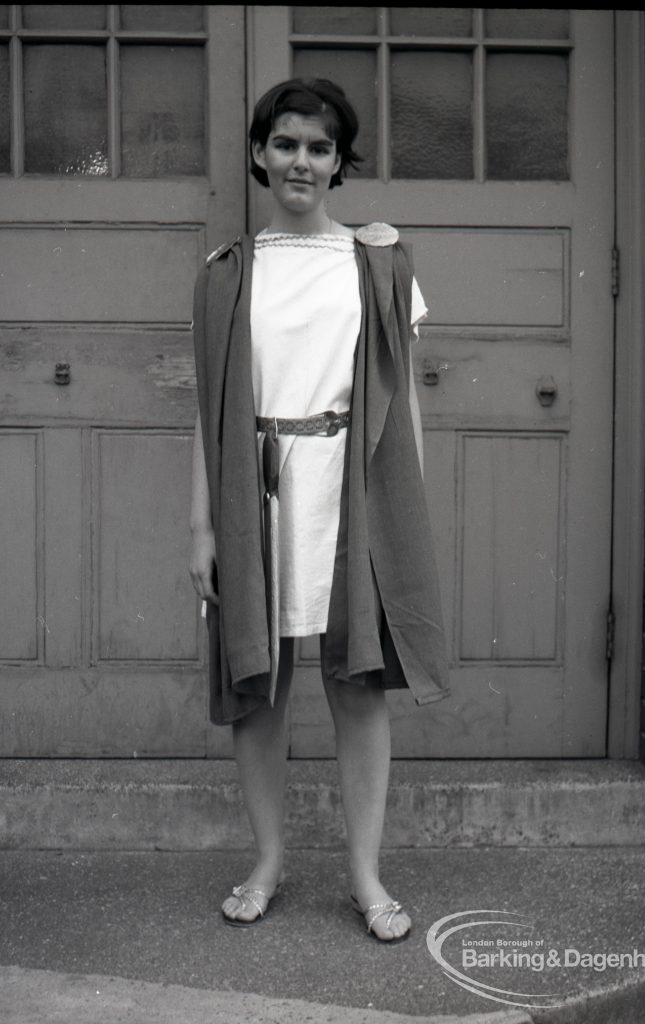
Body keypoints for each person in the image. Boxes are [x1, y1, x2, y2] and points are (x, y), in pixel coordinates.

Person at [189, 78, 449, 943]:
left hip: (352, 491)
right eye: (287, 143)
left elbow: (399, 397)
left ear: (340, 164)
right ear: (261, 153)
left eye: (320, 147)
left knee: (359, 688)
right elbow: (208, 410)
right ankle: (267, 860)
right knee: (258, 688)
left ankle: (365, 875)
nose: (302, 160)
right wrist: (201, 525)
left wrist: (404, 518)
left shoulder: (378, 262)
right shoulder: (226, 275)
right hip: (255, 488)